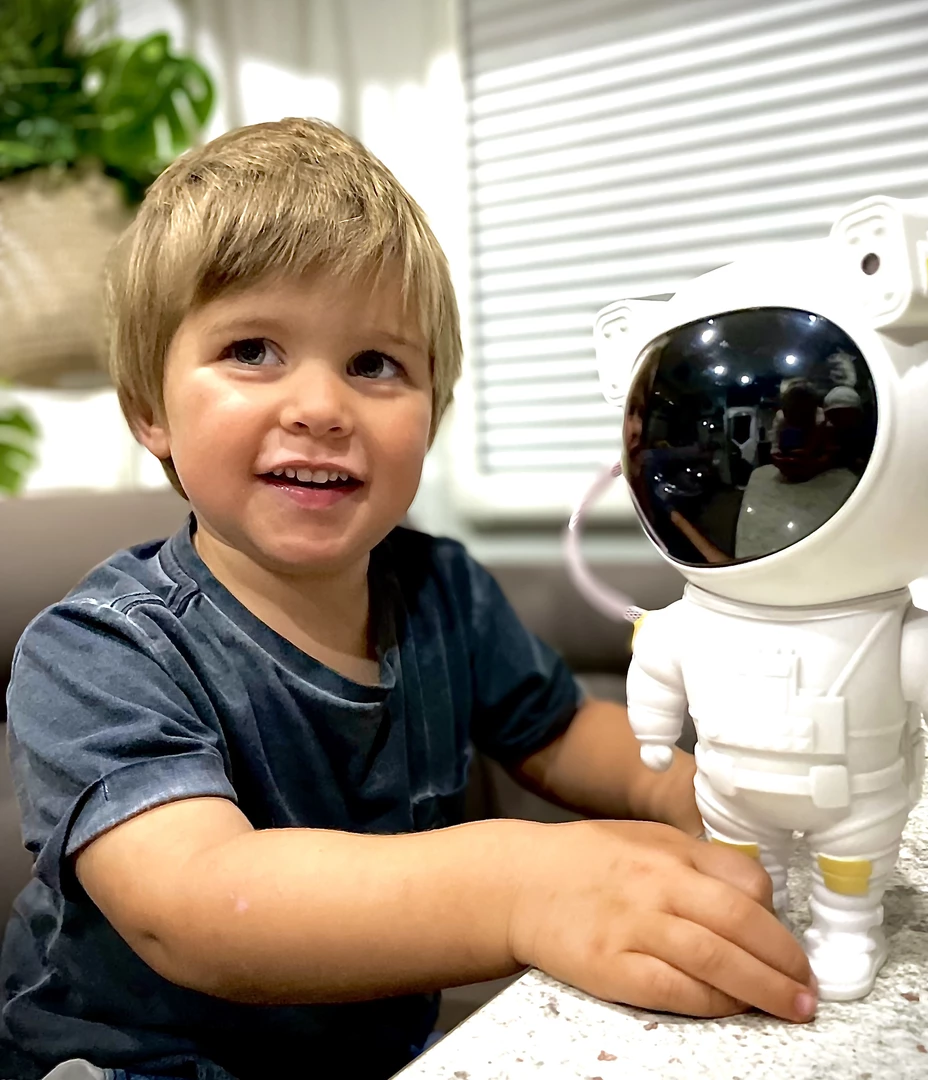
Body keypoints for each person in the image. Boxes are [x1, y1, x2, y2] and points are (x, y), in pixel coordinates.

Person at [0, 119, 815, 1080]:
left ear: (432, 412)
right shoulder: (97, 650)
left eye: (375, 365)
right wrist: (525, 886)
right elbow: (200, 906)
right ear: (151, 409)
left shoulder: (443, 591)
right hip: (134, 1062)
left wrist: (699, 795)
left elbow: (556, 734)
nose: (322, 406)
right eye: (253, 348)